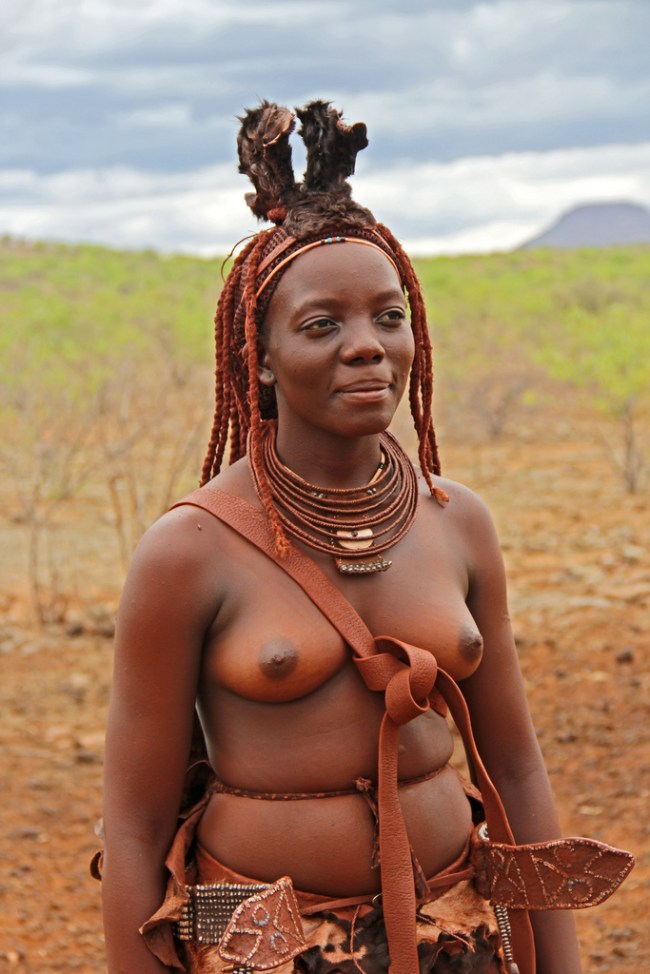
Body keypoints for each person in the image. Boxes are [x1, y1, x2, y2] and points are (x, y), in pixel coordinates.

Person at [99, 101, 632, 974]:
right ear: (260, 356)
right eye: (322, 326)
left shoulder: (457, 519)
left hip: (454, 934)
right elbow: (132, 825)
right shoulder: (190, 551)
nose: (368, 348)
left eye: (390, 316)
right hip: (265, 949)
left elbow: (518, 773)